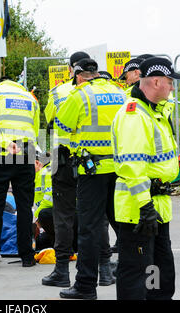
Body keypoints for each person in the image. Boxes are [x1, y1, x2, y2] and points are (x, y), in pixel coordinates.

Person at [54, 58, 126, 299]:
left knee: (89, 229)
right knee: (122, 222)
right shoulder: (119, 92)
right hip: (120, 168)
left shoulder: (80, 95)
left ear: (77, 75)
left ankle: (85, 285)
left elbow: (61, 125)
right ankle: (129, 272)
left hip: (91, 170)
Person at [111, 57, 180, 300]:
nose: (172, 87)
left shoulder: (155, 112)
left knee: (160, 274)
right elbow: (132, 167)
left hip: (157, 207)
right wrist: (145, 206)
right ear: (155, 81)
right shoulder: (135, 114)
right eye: (170, 81)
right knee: (136, 276)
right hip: (139, 209)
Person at [0, 77, 40, 268]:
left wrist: (5, 142)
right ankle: (27, 256)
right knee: (24, 207)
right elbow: (35, 129)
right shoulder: (30, 97)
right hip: (26, 154)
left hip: (0, 153)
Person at [41, 51, 89, 288]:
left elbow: (50, 118)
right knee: (94, 215)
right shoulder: (108, 92)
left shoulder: (59, 92)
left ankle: (62, 270)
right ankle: (102, 267)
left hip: (64, 158)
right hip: (95, 160)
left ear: (72, 69)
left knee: (63, 215)